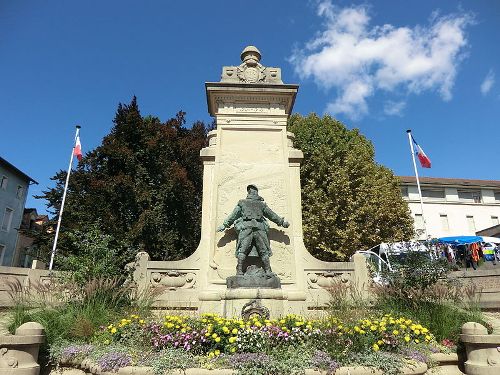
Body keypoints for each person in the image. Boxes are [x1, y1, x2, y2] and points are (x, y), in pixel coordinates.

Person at [217, 184, 289, 277]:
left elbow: (234, 215)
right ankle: (264, 271)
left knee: (249, 250)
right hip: (257, 228)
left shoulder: (247, 203)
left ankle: (246, 271)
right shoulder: (257, 204)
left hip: (249, 228)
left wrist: (225, 224)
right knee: (258, 250)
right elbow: (272, 215)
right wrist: (224, 224)